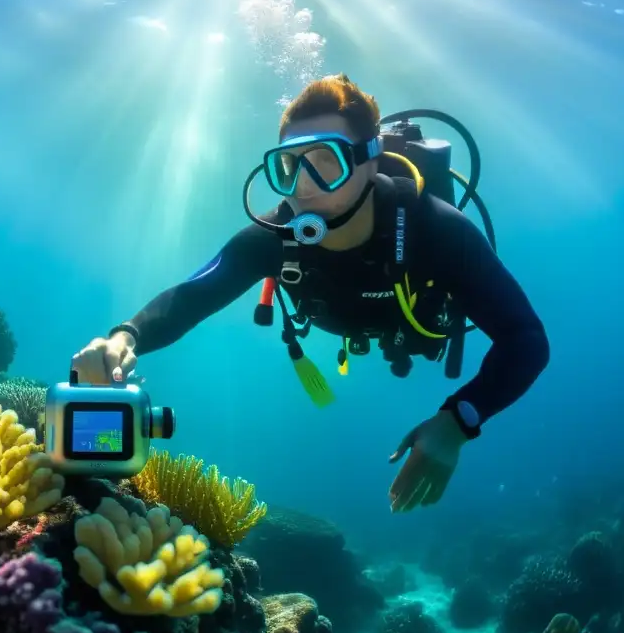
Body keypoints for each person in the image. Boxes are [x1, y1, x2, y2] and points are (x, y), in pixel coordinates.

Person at [71, 73, 549, 513]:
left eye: (326, 161)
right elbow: (193, 294)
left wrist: (457, 421)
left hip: (417, 328)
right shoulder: (273, 236)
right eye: (288, 166)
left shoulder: (438, 229)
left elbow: (526, 340)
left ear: (370, 161)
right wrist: (124, 337)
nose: (303, 185)